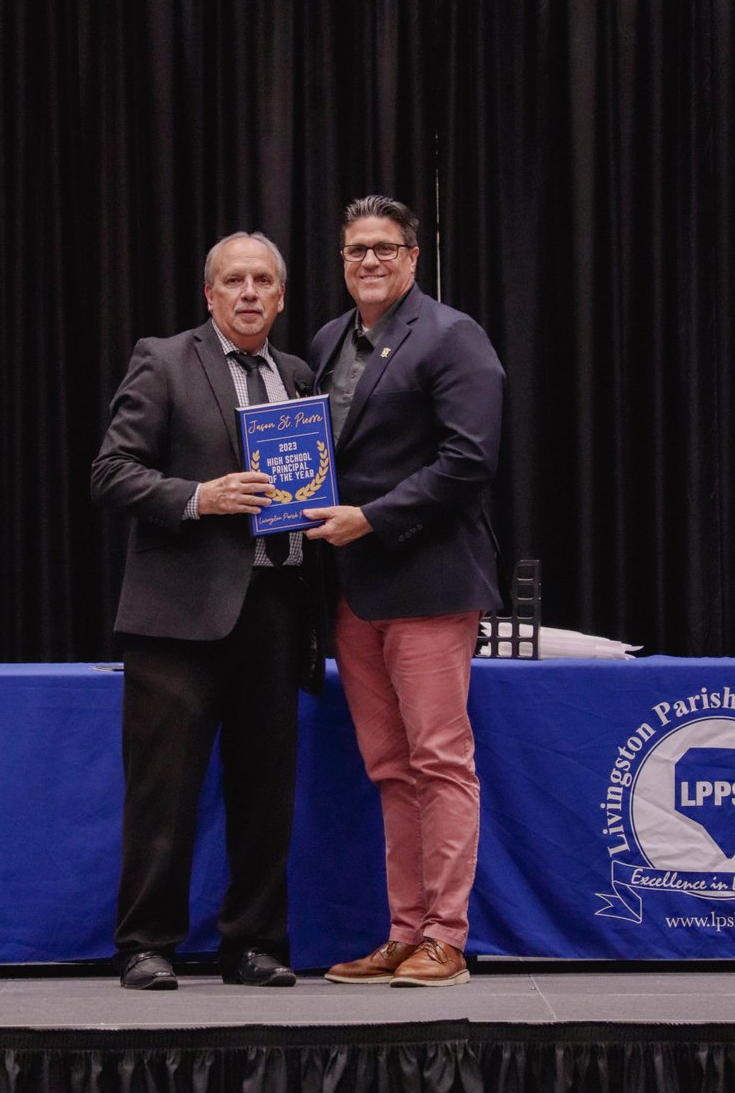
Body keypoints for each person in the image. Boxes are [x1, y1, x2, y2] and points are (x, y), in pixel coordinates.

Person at [91, 231, 318, 990]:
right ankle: (146, 944)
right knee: (164, 793)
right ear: (210, 295)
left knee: (264, 796)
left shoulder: (297, 375)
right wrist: (199, 497)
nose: (249, 292)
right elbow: (112, 472)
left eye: (263, 280)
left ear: (280, 297)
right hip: (177, 621)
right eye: (234, 281)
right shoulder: (163, 360)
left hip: (275, 612)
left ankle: (253, 944)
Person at [303, 195, 505, 988]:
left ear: (414, 258)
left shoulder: (454, 337)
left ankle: (445, 938)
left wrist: (373, 520)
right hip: (352, 591)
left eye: (385, 249)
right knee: (390, 768)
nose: (370, 263)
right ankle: (404, 932)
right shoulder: (327, 341)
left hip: (428, 580)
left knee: (440, 762)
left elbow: (468, 462)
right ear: (342, 261)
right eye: (357, 251)